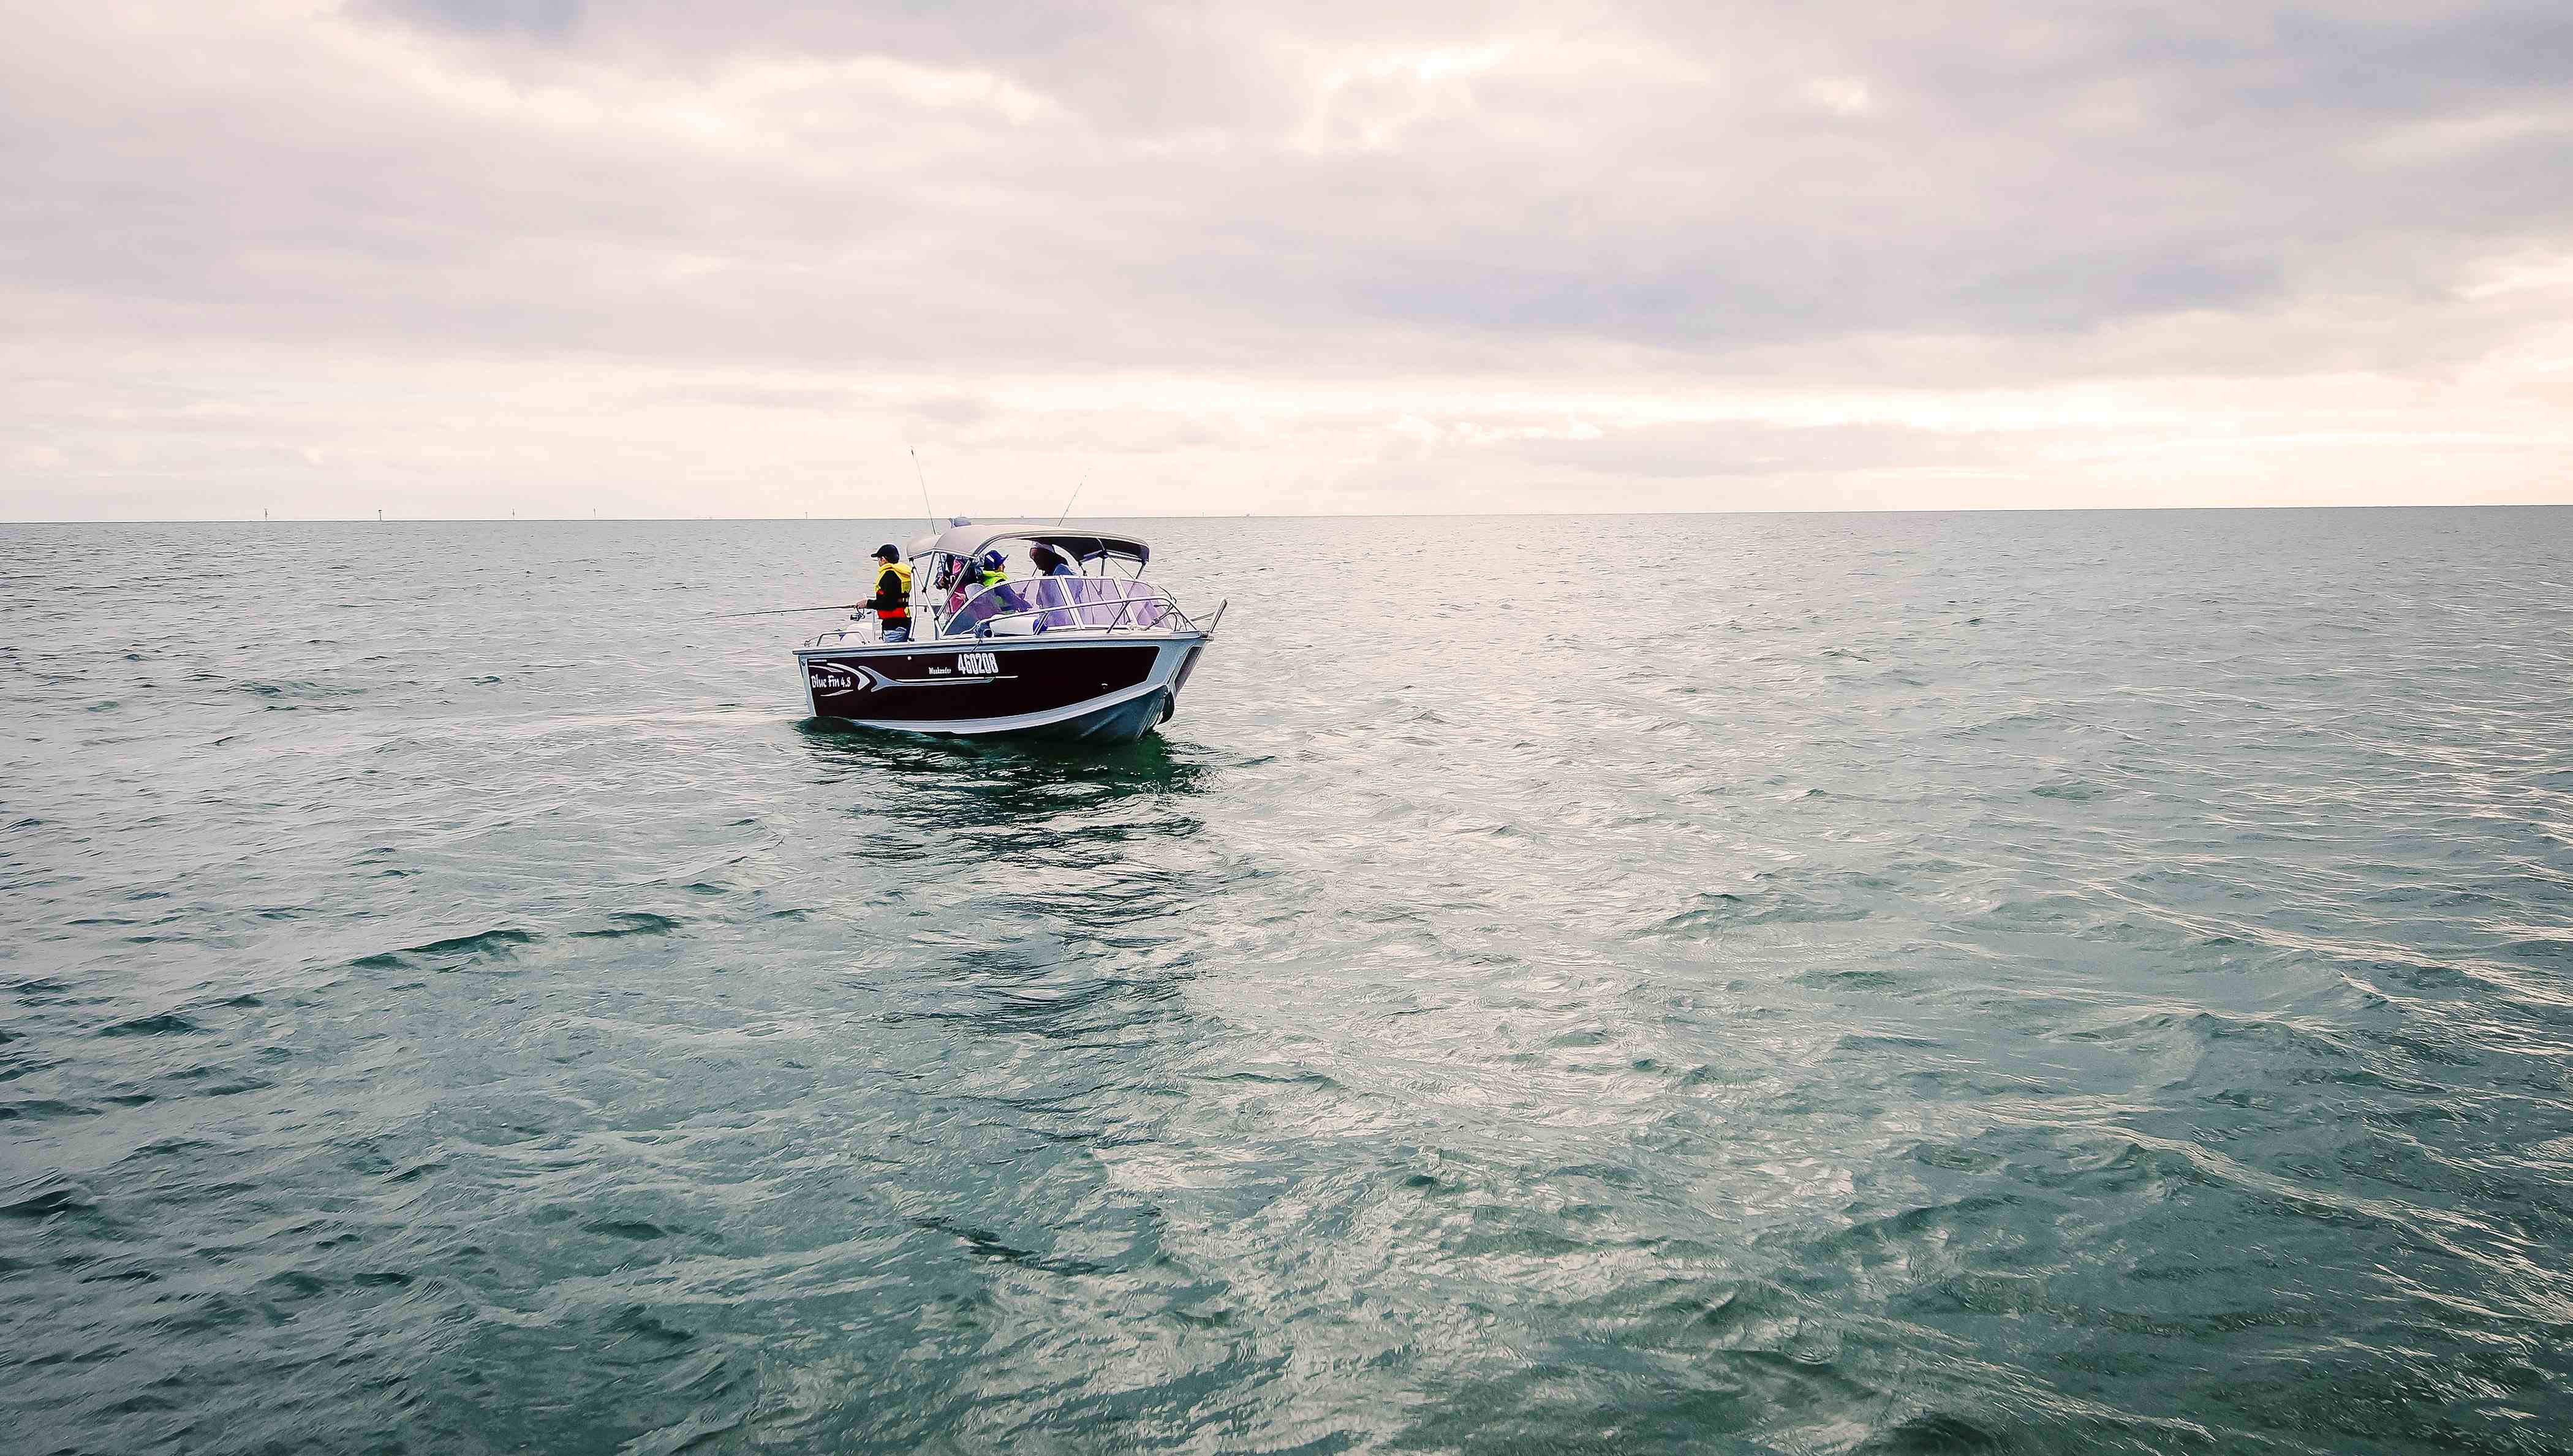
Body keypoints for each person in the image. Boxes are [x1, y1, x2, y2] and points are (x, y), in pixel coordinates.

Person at [866, 544, 912, 642]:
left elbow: (888, 604)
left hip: (893, 627)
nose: (878, 562)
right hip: (904, 622)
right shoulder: (901, 573)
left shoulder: (889, 576)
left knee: (893, 656)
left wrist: (867, 604)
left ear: (883, 560)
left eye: (879, 559)